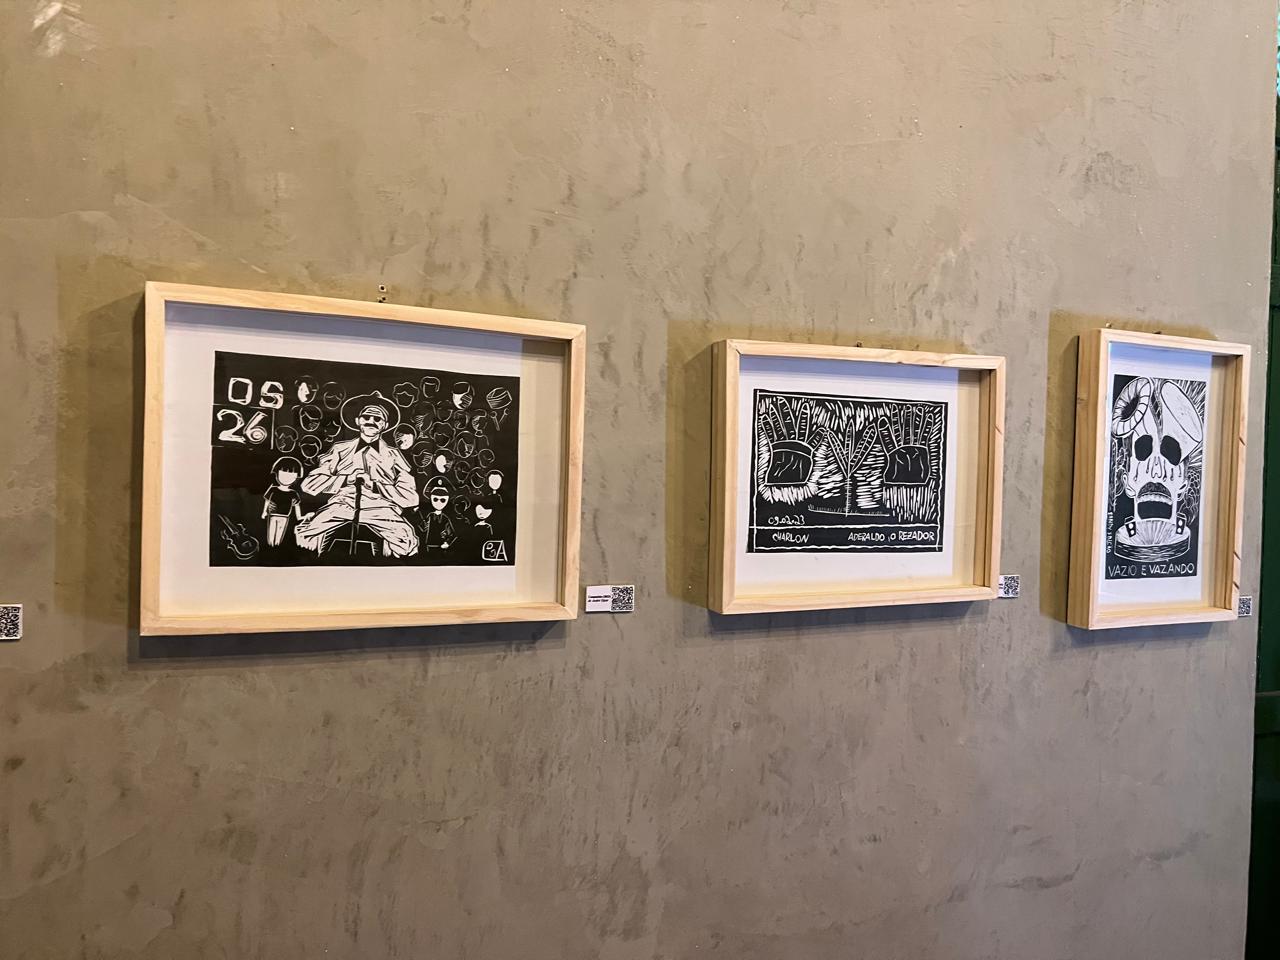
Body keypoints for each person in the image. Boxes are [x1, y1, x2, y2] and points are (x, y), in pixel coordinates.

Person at [294, 392, 420, 557]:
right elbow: (309, 484)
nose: (371, 421)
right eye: (366, 417)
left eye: (377, 419)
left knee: (408, 543)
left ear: (385, 425)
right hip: (341, 506)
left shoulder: (394, 456)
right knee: (303, 535)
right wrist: (346, 479)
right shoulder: (340, 449)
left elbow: (411, 497)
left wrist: (375, 486)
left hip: (381, 509)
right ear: (357, 421)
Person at [262, 456, 304, 547]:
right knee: (271, 535)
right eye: (283, 473)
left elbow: (297, 506)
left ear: (296, 477)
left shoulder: (293, 493)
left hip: (284, 517)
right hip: (272, 515)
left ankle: (276, 549)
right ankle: (270, 548)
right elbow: (267, 501)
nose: (286, 477)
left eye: (291, 475)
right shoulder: (273, 489)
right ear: (276, 473)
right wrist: (264, 512)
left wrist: (299, 517)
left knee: (279, 537)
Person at [419, 481, 456, 551]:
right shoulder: (430, 516)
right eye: (435, 499)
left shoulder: (445, 518)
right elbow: (422, 528)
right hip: (428, 546)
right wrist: (424, 525)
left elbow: (452, 534)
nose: (438, 502)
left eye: (442, 500)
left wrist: (447, 543)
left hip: (441, 547)